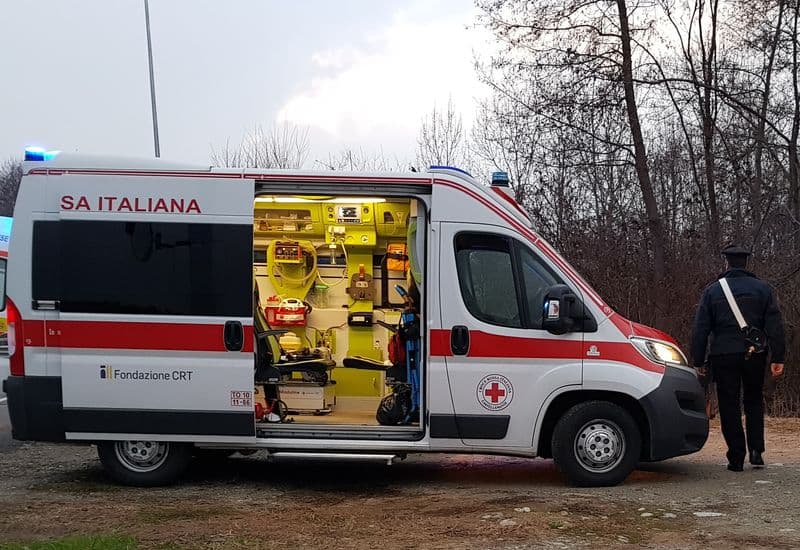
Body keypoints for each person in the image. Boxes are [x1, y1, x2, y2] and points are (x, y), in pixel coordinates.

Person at [691, 244, 785, 471]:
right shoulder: (763, 289)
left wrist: (698, 360)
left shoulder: (712, 291)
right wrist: (778, 357)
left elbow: (701, 328)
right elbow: (775, 325)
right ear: (746, 264)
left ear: (727, 263)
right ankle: (756, 451)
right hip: (755, 354)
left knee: (729, 404)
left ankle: (736, 457)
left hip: (723, 354)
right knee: (753, 401)